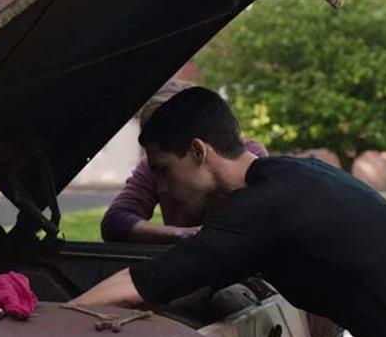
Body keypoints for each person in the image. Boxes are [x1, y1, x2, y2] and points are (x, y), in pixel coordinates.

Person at [72, 87, 386, 337]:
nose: (163, 188)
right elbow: (192, 280)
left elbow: (145, 282)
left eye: (164, 170)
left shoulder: (265, 204)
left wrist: (65, 314)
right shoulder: (292, 178)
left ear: (199, 152)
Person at [100, 80, 268, 244]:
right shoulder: (157, 165)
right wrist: (179, 234)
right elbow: (115, 221)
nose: (163, 186)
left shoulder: (248, 159)